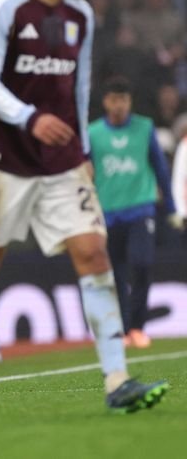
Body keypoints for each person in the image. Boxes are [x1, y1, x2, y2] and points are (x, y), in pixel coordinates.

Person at [0, 0, 168, 418]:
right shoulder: (5, 5)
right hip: (4, 159)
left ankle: (117, 379)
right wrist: (29, 117)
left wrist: (83, 152)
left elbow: (78, 90)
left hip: (63, 161)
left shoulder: (81, 16)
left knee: (93, 252)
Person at [88, 77, 182, 349]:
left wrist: (172, 208)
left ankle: (139, 327)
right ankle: (124, 329)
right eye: (114, 99)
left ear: (130, 102)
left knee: (141, 264)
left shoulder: (144, 128)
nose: (119, 105)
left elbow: (160, 168)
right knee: (116, 274)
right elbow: (85, 174)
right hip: (108, 213)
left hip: (141, 209)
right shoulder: (93, 134)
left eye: (124, 100)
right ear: (106, 102)